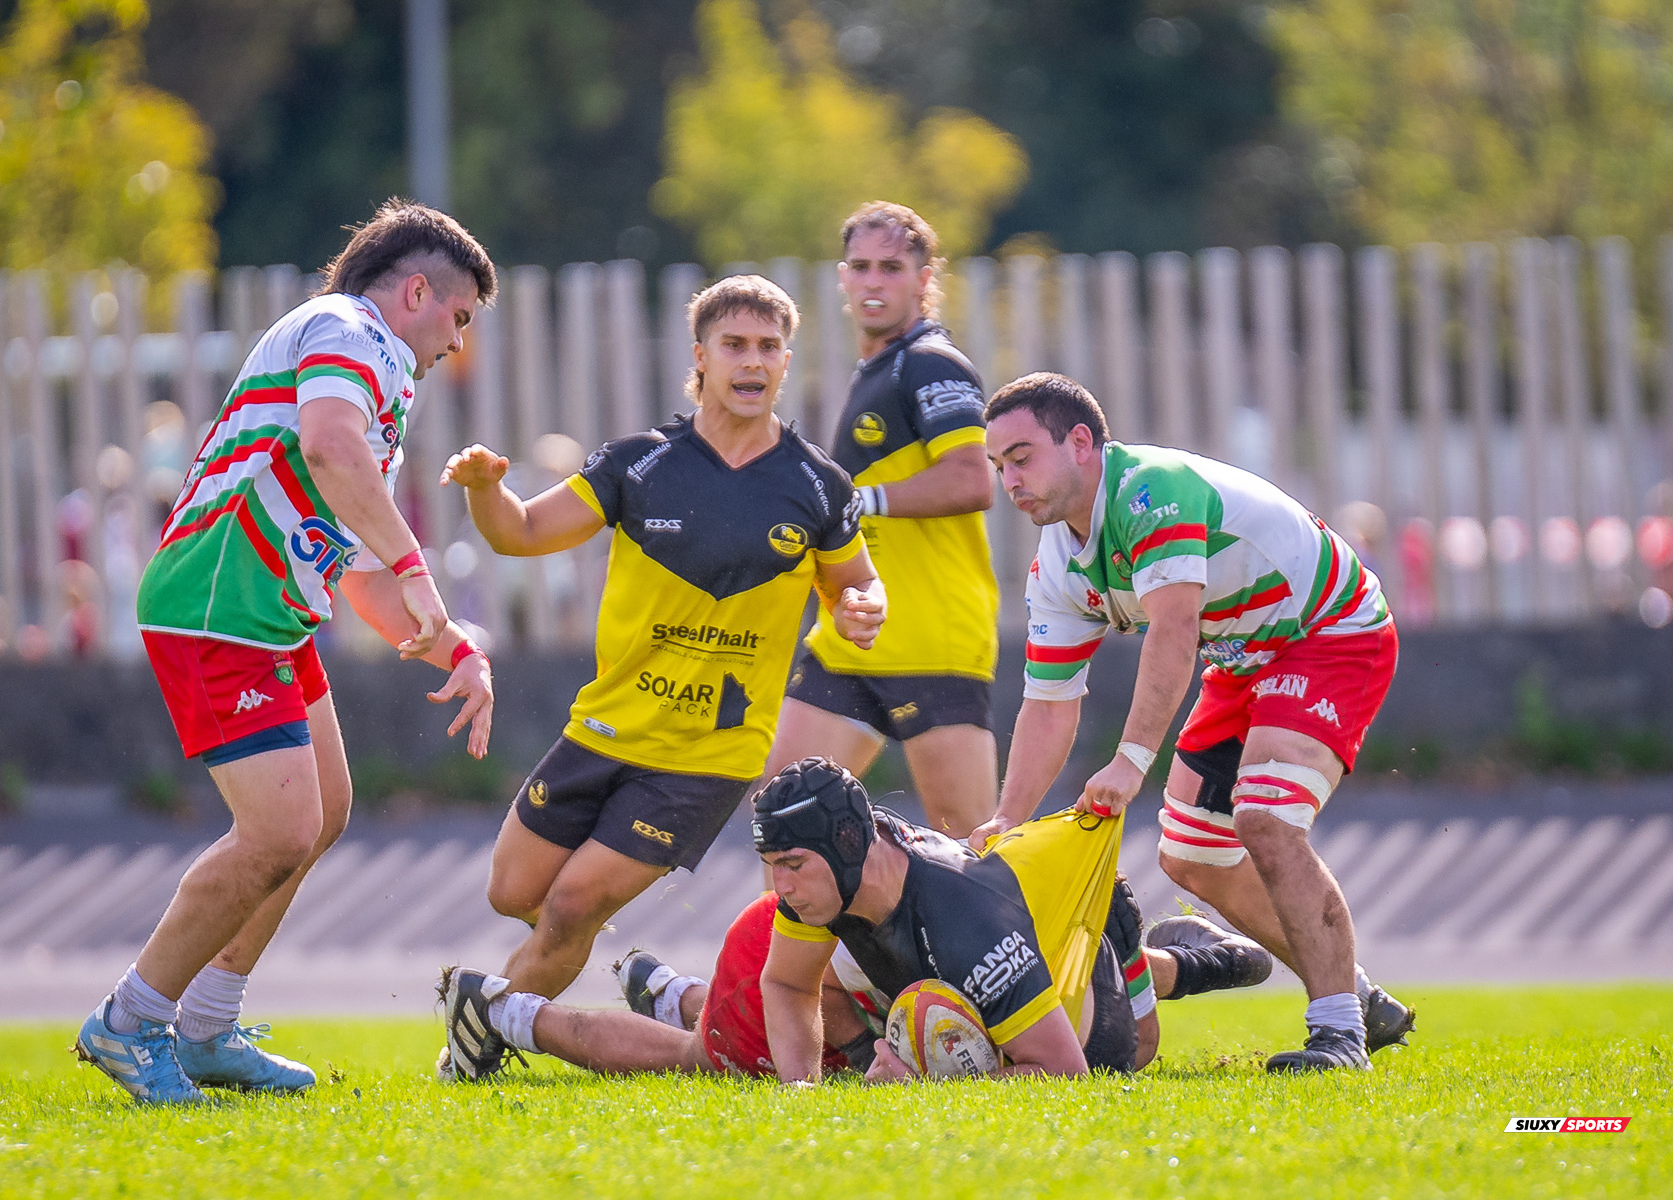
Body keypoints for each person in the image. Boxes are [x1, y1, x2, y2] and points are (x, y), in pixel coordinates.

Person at [75, 201, 500, 1104]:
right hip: (215, 603)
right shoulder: (349, 328)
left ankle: (207, 1025)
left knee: (328, 809)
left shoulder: (380, 375)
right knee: (279, 830)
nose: (457, 342)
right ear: (415, 290)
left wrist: (454, 644)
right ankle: (129, 1023)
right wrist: (420, 570)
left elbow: (352, 569)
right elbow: (330, 448)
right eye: (458, 316)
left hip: (267, 616)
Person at [438, 276, 886, 1081]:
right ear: (701, 359)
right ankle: (643, 983)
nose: (753, 363)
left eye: (769, 347)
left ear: (786, 360)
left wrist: (861, 605)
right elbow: (522, 532)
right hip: (604, 725)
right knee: (517, 891)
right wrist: (485, 490)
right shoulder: (640, 463)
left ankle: (470, 1051)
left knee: (572, 905)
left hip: (709, 750)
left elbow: (857, 580)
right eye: (735, 346)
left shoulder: (818, 485)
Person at [973, 371, 1417, 1072]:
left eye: (1022, 457)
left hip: (1330, 629)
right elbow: (1050, 702)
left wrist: (1130, 760)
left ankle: (1339, 1036)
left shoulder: (1151, 490)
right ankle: (1358, 996)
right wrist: (1008, 819)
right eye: (999, 466)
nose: (1010, 481)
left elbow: (1175, 629)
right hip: (1246, 657)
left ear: (1081, 442)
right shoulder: (1057, 560)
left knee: (1265, 820)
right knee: (1192, 858)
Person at [434, 854, 1268, 1082]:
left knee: (1136, 1044)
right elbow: (805, 987)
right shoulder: (967, 934)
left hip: (841, 971)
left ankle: (670, 989)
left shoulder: (1011, 942)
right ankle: (505, 1014)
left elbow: (1098, 1024)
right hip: (786, 959)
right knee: (710, 1066)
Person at [766, 202, 999, 839]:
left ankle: (1076, 942)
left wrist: (861, 502)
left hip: (932, 636)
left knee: (972, 851)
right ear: (842, 277)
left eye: (892, 268)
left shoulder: (930, 362)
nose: (874, 281)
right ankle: (793, 943)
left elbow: (972, 479)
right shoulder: (876, 369)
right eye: (862, 267)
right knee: (785, 817)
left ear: (925, 279)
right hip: (853, 635)